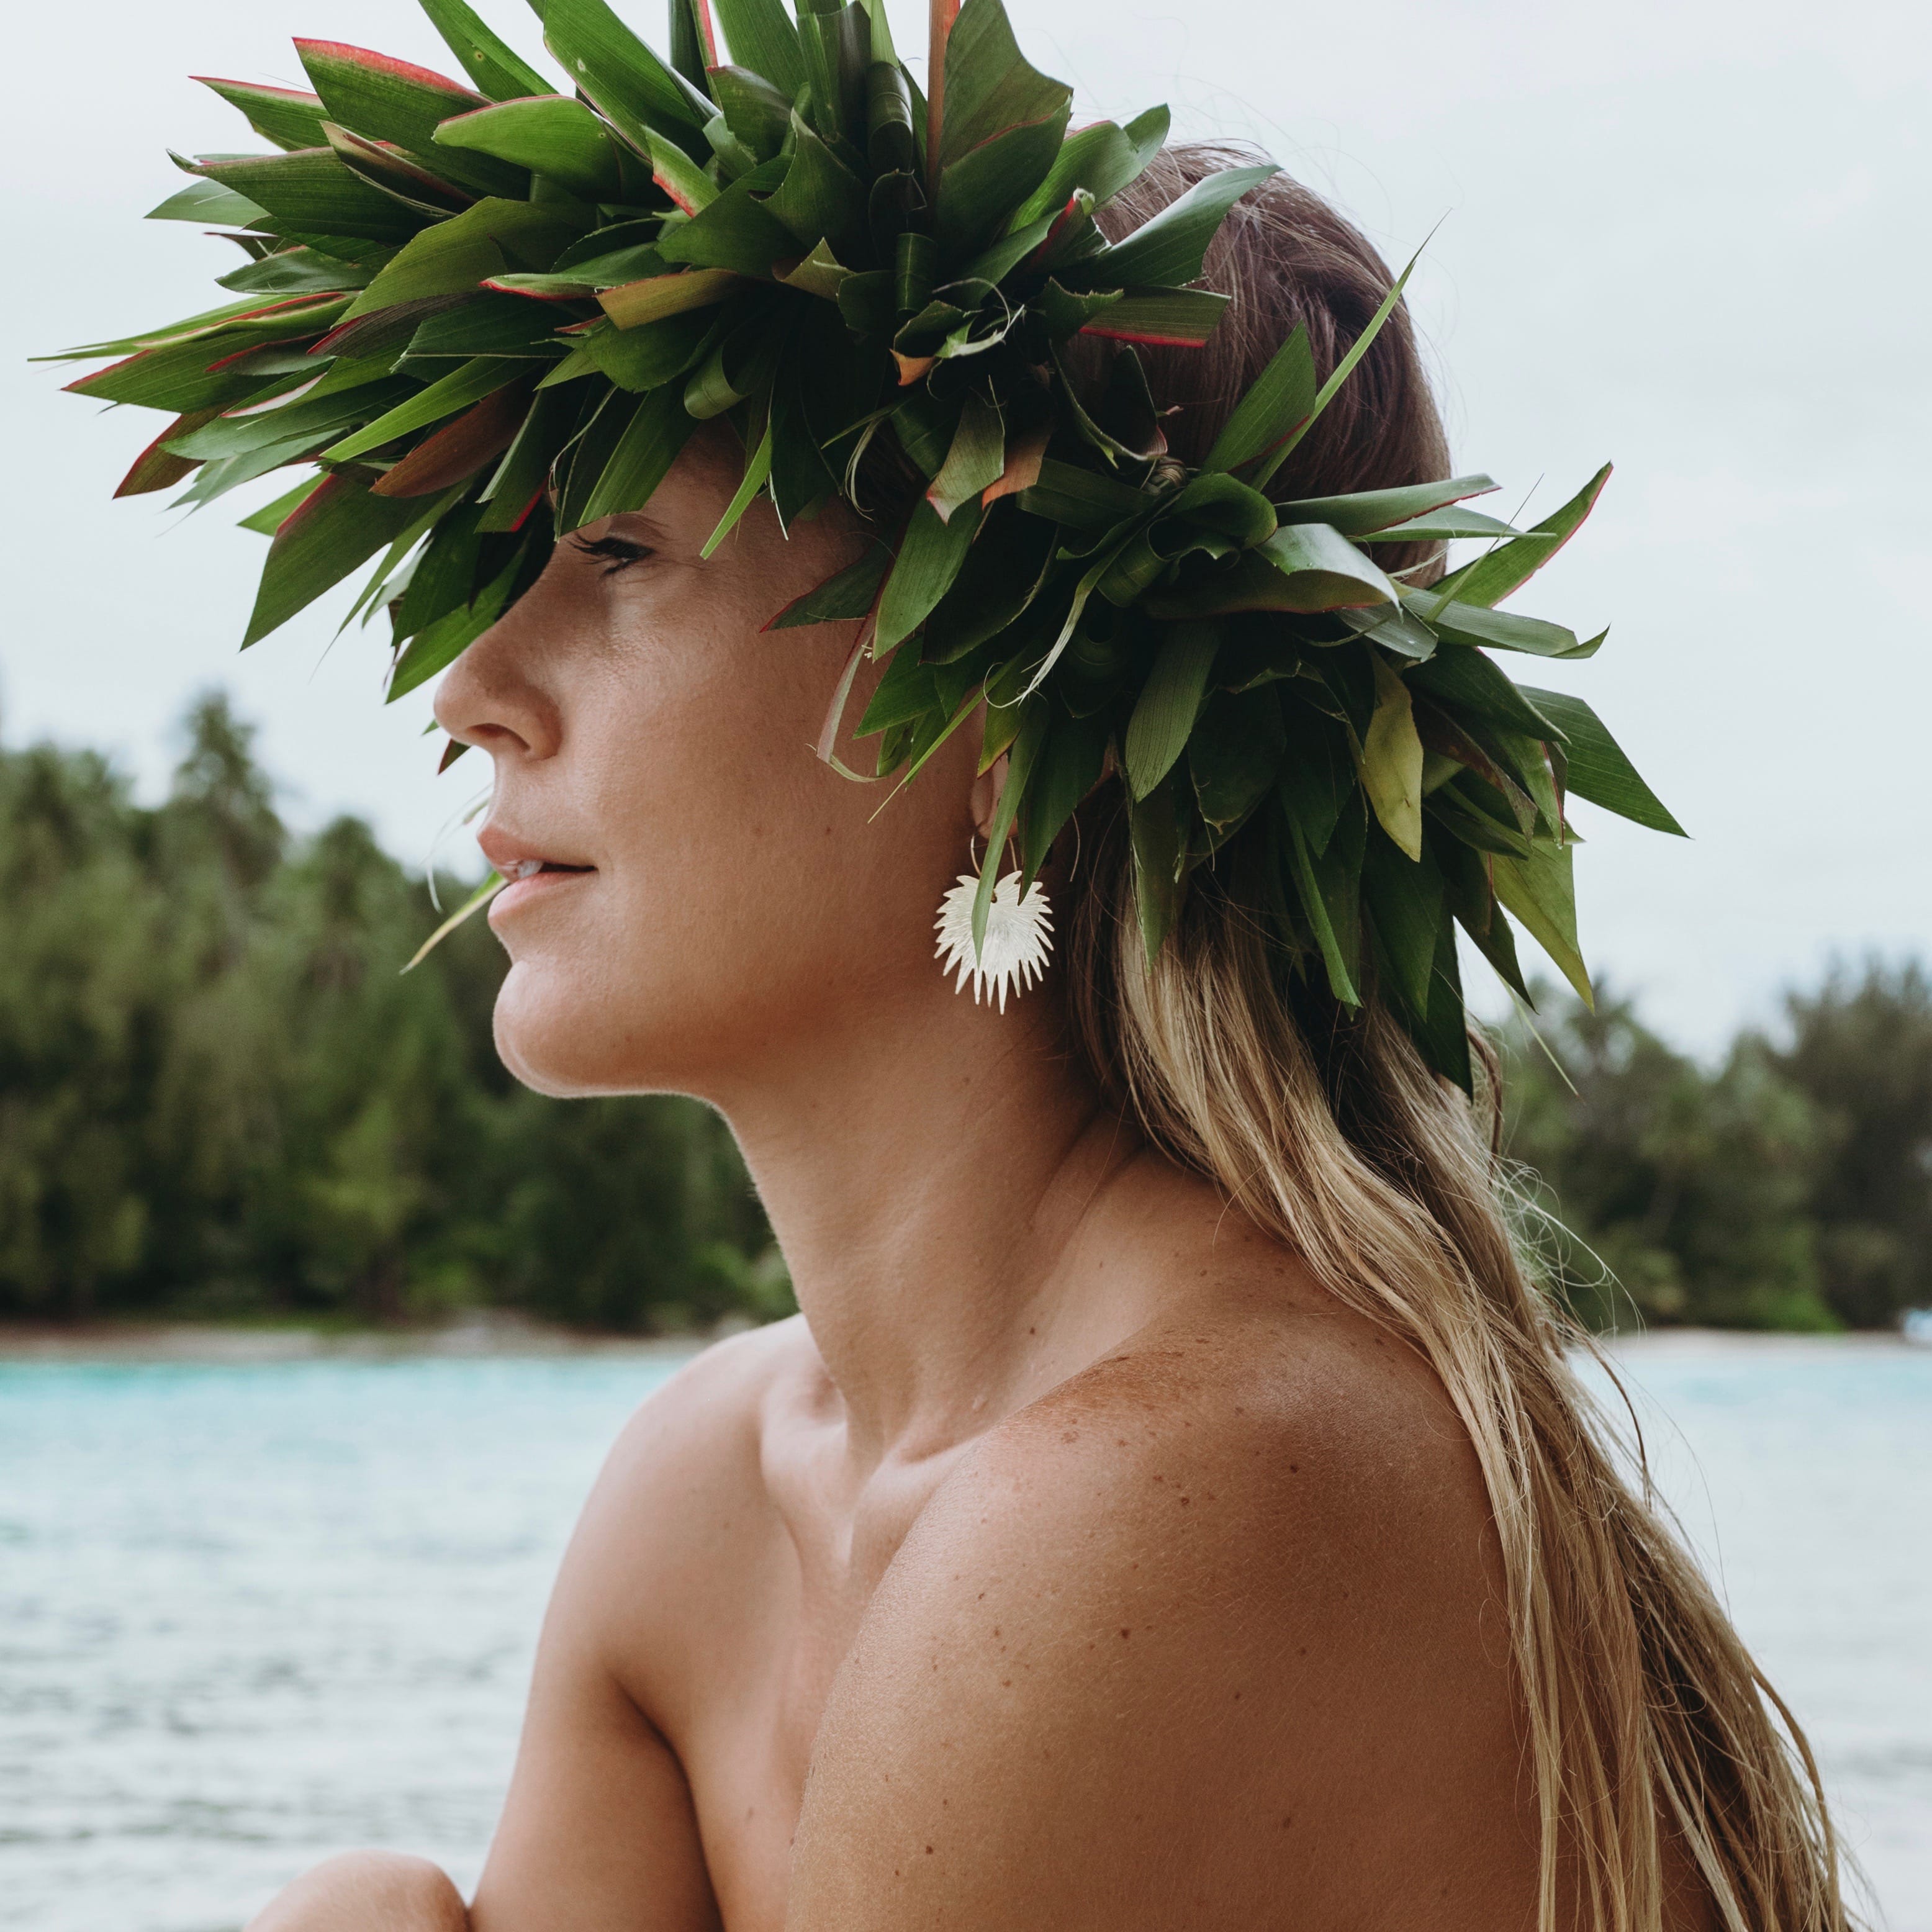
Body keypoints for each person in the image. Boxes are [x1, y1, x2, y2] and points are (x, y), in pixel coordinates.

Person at [233, 148, 1850, 1932]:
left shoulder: (1177, 1501)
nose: (467, 685)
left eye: (615, 550)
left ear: (1005, 714)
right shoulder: (706, 1501)